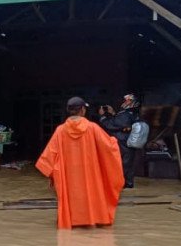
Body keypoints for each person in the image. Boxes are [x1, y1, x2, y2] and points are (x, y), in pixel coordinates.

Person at [36, 97, 124, 229]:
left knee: (71, 196)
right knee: (92, 192)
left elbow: (48, 157)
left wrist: (52, 174)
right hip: (90, 172)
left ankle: (72, 221)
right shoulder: (92, 128)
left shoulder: (60, 130)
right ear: (83, 110)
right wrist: (115, 140)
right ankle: (92, 219)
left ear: (68, 111)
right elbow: (109, 149)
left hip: (69, 175)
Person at [99, 93, 141, 189]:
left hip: (123, 142)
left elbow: (111, 125)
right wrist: (113, 113)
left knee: (123, 164)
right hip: (126, 142)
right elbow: (118, 122)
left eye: (128, 100)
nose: (125, 102)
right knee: (128, 164)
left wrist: (103, 117)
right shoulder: (130, 113)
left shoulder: (126, 114)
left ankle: (121, 184)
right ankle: (127, 184)